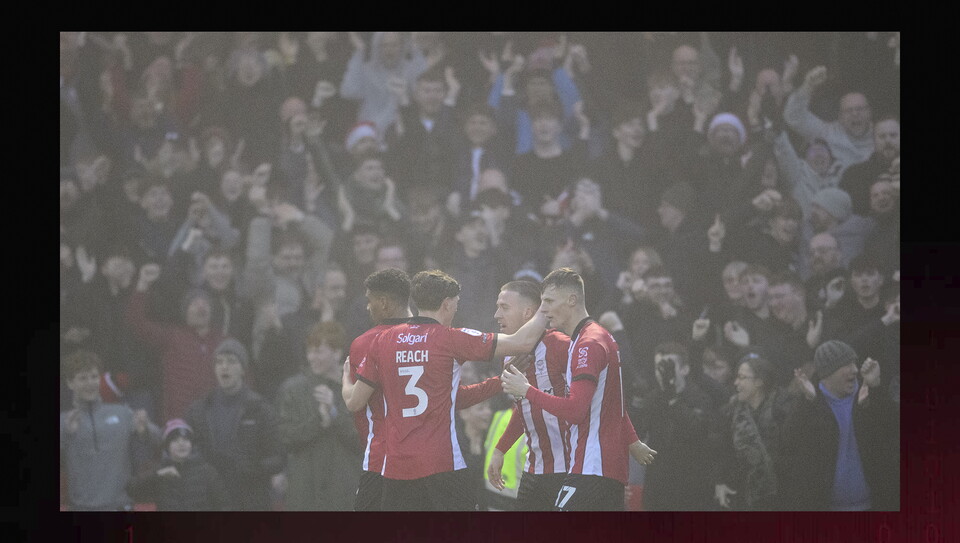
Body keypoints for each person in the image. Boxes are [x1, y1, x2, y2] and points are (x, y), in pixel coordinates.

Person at [343, 269, 551, 511]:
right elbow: (522, 342)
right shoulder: (451, 338)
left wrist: (345, 380)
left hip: (396, 466)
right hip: (441, 462)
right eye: (456, 304)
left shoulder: (382, 341)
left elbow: (354, 402)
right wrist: (547, 304)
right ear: (447, 304)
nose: (456, 310)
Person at [500, 267, 657, 511]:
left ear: (572, 300)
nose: (544, 310)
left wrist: (527, 390)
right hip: (601, 467)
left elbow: (575, 411)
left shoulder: (587, 344)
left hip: (593, 466)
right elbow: (611, 402)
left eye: (549, 301)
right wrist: (632, 441)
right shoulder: (592, 337)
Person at [485, 280, 571, 511]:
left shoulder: (561, 346)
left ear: (528, 313)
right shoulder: (509, 354)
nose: (496, 314)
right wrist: (500, 449)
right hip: (534, 469)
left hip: (571, 469)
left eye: (504, 307)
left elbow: (588, 404)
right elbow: (524, 408)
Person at [781, 340, 898, 510]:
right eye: (846, 365)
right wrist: (807, 402)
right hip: (828, 508)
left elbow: (892, 429)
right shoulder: (812, 401)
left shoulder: (866, 394)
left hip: (875, 504)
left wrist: (876, 388)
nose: (855, 370)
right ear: (827, 374)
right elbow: (789, 440)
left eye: (854, 363)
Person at [185, 338, 285, 510]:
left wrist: (254, 468)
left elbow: (278, 456)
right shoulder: (199, 409)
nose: (224, 367)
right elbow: (187, 450)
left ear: (243, 369)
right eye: (219, 362)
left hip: (250, 499)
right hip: (210, 500)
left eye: (231, 361)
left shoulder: (259, 408)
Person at [60, 350, 161, 511]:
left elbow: (160, 441)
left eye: (94, 377)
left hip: (121, 506)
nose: (90, 383)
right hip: (81, 508)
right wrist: (65, 434)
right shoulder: (64, 421)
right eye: (83, 378)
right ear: (70, 383)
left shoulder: (121, 413)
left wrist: (145, 429)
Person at [276, 321, 360, 511]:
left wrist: (334, 414)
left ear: (337, 352)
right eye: (309, 351)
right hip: (306, 493)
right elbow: (285, 438)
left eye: (318, 351)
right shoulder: (293, 390)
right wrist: (319, 421)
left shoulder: (357, 389)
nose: (311, 357)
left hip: (344, 494)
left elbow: (364, 439)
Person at [631, 342, 714, 511]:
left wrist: (673, 400)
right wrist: (637, 401)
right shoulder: (653, 398)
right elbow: (637, 434)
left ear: (684, 369)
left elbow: (697, 430)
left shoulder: (699, 398)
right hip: (657, 487)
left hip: (690, 489)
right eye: (659, 367)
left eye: (669, 366)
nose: (663, 373)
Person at [712, 353, 795, 510]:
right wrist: (720, 481)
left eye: (742, 377)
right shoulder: (729, 413)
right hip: (741, 496)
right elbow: (721, 451)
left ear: (759, 381)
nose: (736, 383)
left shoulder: (783, 411)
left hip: (780, 498)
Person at [127, 418, 231, 511]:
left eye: (185, 440)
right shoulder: (159, 470)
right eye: (175, 440)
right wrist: (157, 475)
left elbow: (224, 504)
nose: (181, 444)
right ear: (167, 446)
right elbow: (133, 491)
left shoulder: (207, 471)